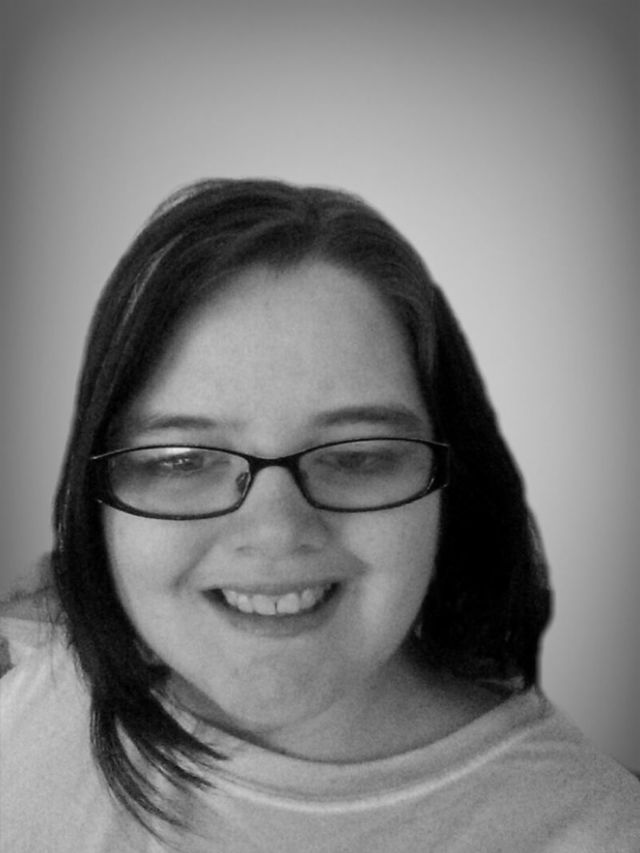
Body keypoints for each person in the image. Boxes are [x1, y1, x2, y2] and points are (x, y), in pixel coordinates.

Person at [1, 179, 638, 852]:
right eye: (182, 460)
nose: (276, 531)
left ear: (452, 487)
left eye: (359, 456)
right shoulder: (31, 710)